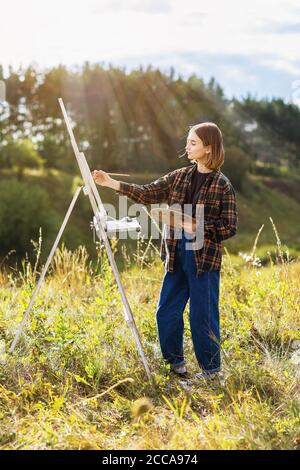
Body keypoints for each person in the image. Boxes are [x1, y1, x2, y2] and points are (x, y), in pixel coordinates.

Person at [92, 122, 238, 380]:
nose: (187, 147)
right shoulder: (180, 176)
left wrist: (196, 225)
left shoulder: (222, 185)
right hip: (176, 254)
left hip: (203, 258)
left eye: (193, 143)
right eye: (188, 141)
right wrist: (110, 183)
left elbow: (229, 227)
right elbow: (147, 193)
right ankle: (176, 366)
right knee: (166, 311)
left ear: (208, 148)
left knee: (202, 317)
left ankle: (211, 372)